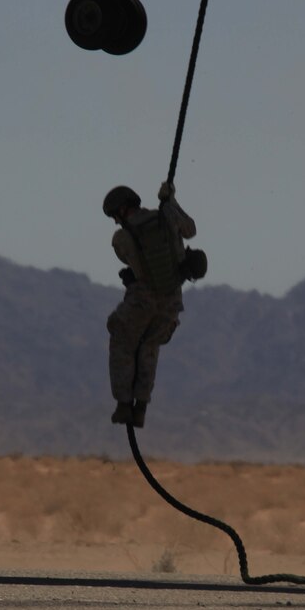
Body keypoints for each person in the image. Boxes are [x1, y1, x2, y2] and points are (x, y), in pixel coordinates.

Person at [103, 181, 197, 428]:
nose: (115, 221)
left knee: (122, 338)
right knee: (149, 347)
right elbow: (190, 230)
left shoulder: (121, 237)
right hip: (171, 303)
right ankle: (141, 408)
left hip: (142, 300)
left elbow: (133, 262)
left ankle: (124, 405)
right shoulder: (166, 217)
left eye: (115, 216)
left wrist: (133, 278)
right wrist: (171, 203)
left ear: (123, 209)